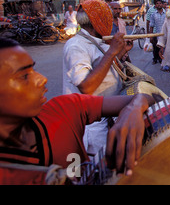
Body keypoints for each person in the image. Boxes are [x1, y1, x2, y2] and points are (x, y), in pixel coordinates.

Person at [0, 37, 155, 184]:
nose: (42, 79)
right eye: (24, 76)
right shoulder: (76, 45)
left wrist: (132, 110)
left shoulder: (62, 109)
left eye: (34, 69)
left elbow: (147, 96)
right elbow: (86, 86)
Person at [62, 0, 133, 157]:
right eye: (106, 17)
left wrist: (120, 53)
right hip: (91, 126)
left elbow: (104, 69)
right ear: (97, 21)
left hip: (105, 118)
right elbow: (86, 87)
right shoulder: (77, 46)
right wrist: (112, 52)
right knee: (97, 171)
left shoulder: (96, 41)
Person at [147, 0, 166, 65]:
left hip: (165, 34)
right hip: (156, 34)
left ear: (162, 4)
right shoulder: (153, 14)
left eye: (160, 3)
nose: (159, 5)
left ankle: (161, 59)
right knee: (155, 48)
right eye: (157, 3)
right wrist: (151, 36)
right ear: (155, 5)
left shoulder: (166, 14)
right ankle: (155, 59)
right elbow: (151, 25)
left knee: (163, 47)